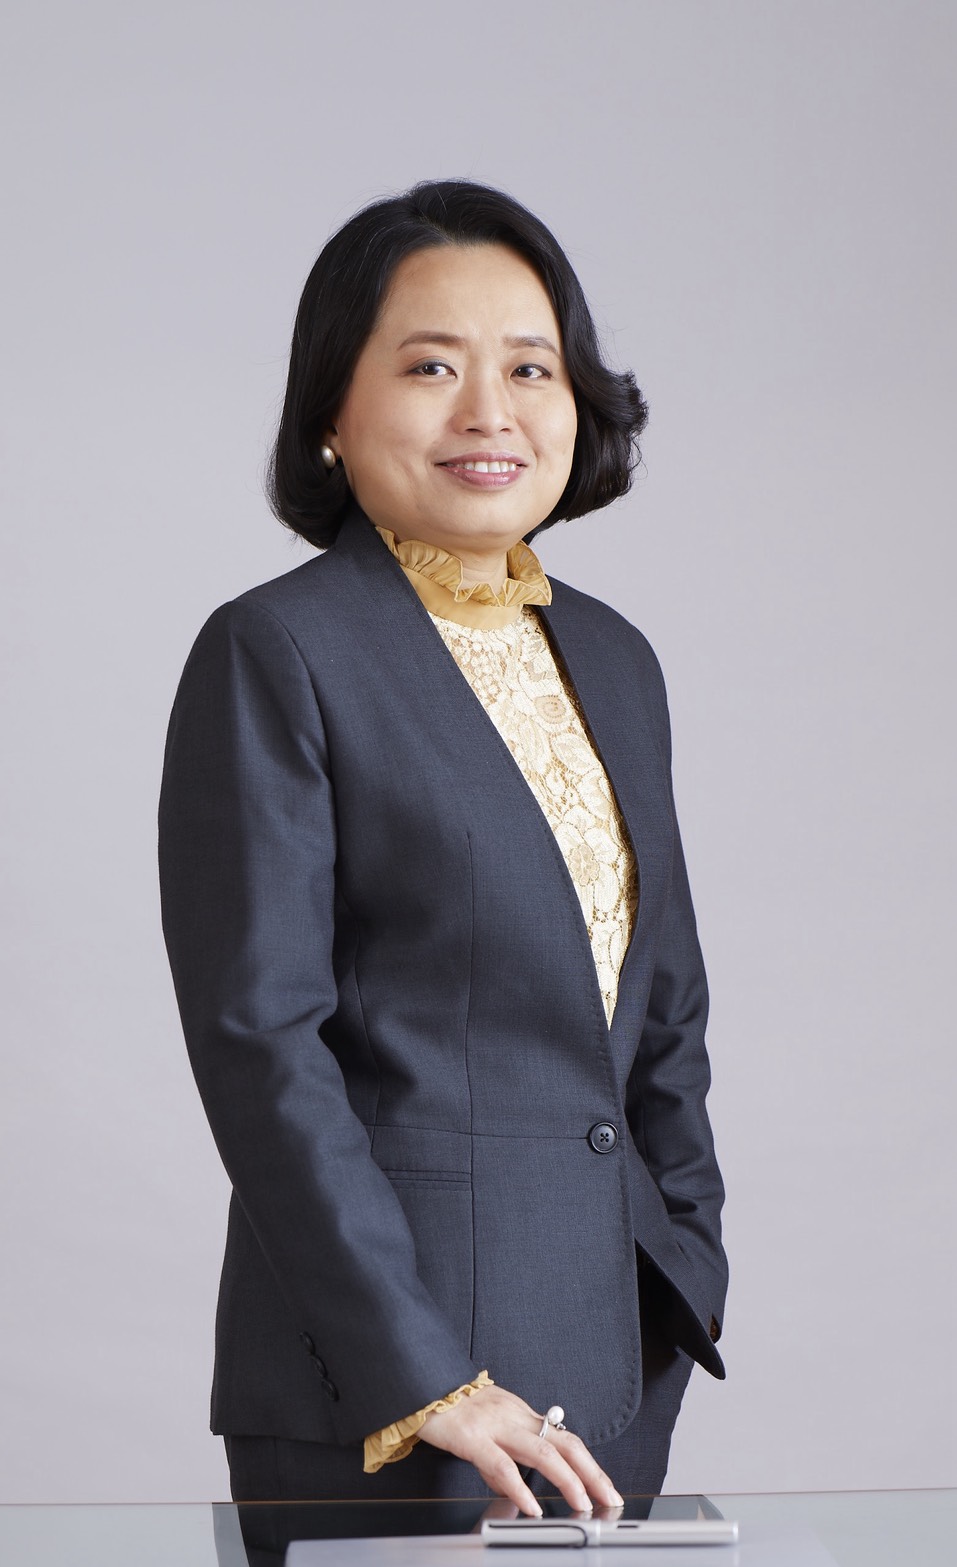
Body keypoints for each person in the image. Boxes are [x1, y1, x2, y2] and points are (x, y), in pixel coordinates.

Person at [158, 179, 727, 1516]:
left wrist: (687, 1262)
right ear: (330, 413)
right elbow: (261, 1046)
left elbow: (661, 1012)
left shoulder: (614, 659)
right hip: (394, 1394)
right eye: (430, 367)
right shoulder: (279, 651)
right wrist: (423, 1377)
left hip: (617, 1364)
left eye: (530, 367)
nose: (489, 411)